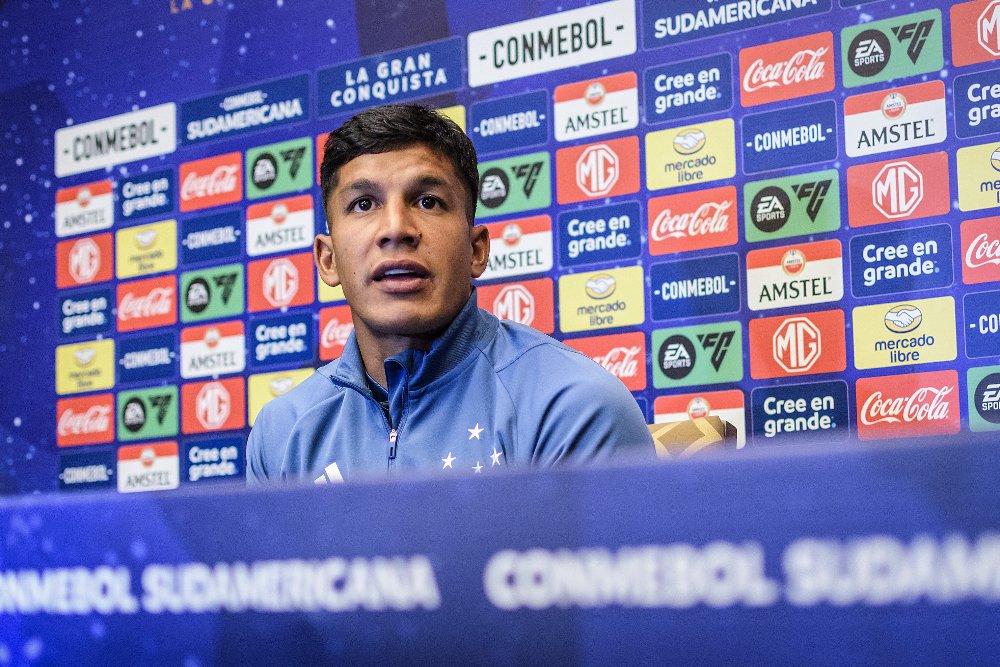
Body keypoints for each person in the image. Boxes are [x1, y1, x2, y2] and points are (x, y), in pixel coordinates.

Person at [246, 104, 654, 484]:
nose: (395, 229)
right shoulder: (280, 433)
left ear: (476, 249)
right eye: (363, 203)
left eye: (428, 201)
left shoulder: (571, 407)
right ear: (328, 260)